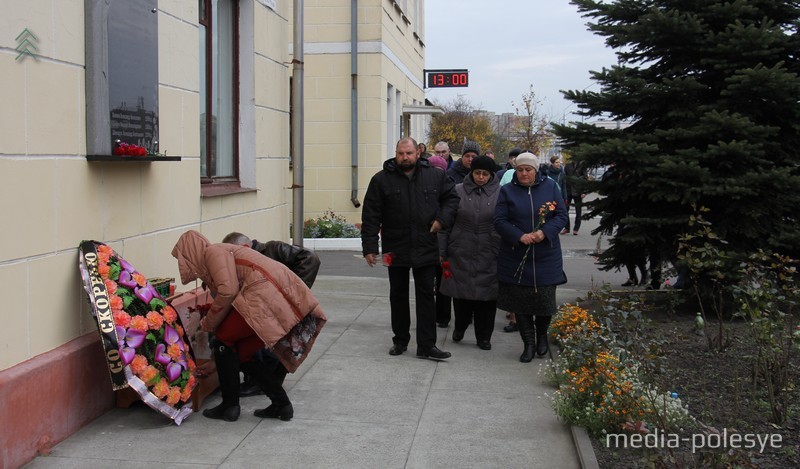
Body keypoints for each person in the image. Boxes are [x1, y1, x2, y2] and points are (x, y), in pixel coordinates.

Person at [171, 230, 327, 421]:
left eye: (183, 258)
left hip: (263, 295)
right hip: (270, 296)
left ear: (190, 252)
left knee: (223, 337)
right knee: (244, 353)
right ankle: (282, 405)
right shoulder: (217, 253)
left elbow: (228, 292)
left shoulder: (212, 252)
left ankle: (229, 406)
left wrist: (208, 323)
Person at [361, 137, 459, 360]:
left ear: (418, 153)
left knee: (426, 296)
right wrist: (369, 246)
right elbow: (371, 215)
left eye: (409, 153)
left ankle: (426, 346)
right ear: (396, 154)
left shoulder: (435, 176)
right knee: (398, 294)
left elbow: (451, 199)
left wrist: (441, 221)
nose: (404, 157)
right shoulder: (381, 180)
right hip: (394, 247)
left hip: (426, 244)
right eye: (400, 153)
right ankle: (400, 340)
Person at [221, 232, 322, 396]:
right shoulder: (254, 258)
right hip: (271, 311)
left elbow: (311, 258)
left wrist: (293, 293)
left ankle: (266, 384)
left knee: (276, 342)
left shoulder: (272, 249)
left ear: (246, 248)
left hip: (285, 309)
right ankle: (267, 385)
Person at [494, 152, 568, 362]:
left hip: (546, 254)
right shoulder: (507, 191)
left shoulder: (550, 186)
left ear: (536, 170)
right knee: (521, 303)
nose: (524, 173)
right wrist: (519, 236)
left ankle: (542, 336)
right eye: (520, 169)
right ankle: (528, 343)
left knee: (544, 301)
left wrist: (544, 232)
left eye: (528, 169)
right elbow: (499, 220)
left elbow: (561, 214)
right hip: (516, 255)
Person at [438, 155, 501, 350]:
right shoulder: (457, 191)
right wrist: (442, 250)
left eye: (485, 174)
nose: (481, 177)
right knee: (461, 293)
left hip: (489, 250)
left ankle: (484, 337)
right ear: (471, 173)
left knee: (487, 297)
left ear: (491, 175)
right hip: (461, 248)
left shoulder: (501, 193)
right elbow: (445, 224)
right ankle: (460, 326)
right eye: (477, 173)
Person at [564, 159, 588, 235]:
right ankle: (567, 228)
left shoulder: (582, 166)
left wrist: (584, 191)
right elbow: (565, 178)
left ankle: (576, 228)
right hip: (568, 191)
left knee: (578, 211)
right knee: (565, 210)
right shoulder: (568, 166)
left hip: (578, 191)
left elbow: (585, 178)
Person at [546, 156, 568, 235]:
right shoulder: (547, 172)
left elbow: (564, 186)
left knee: (559, 213)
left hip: (559, 195)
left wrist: (565, 197)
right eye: (556, 162)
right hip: (549, 195)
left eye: (559, 162)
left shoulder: (562, 173)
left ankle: (557, 228)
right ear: (552, 163)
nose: (559, 164)